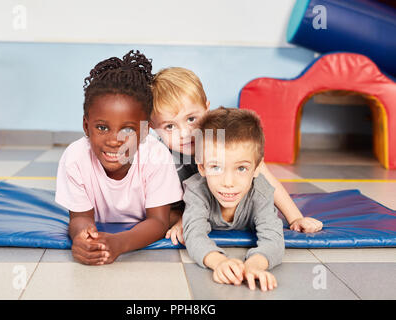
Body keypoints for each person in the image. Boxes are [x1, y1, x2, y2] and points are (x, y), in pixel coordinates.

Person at [150, 67, 323, 245]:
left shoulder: (223, 138)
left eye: (192, 119)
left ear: (206, 109)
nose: (185, 133)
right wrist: (180, 220)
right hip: (193, 209)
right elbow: (158, 210)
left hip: (228, 206)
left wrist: (295, 218)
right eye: (170, 127)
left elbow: (266, 178)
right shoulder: (159, 158)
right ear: (152, 127)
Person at [55, 50, 183, 265]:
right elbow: (80, 218)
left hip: (151, 220)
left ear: (144, 132)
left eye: (128, 130)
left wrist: (119, 243)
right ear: (86, 126)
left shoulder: (156, 156)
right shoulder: (75, 157)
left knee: (175, 216)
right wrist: (82, 238)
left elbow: (158, 222)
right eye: (102, 127)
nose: (114, 141)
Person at [182, 107, 284, 291]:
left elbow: (274, 239)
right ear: (202, 168)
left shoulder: (261, 192)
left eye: (241, 168)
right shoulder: (196, 190)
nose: (228, 183)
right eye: (216, 167)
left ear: (258, 168)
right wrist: (218, 261)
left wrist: (254, 265)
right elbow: (193, 234)